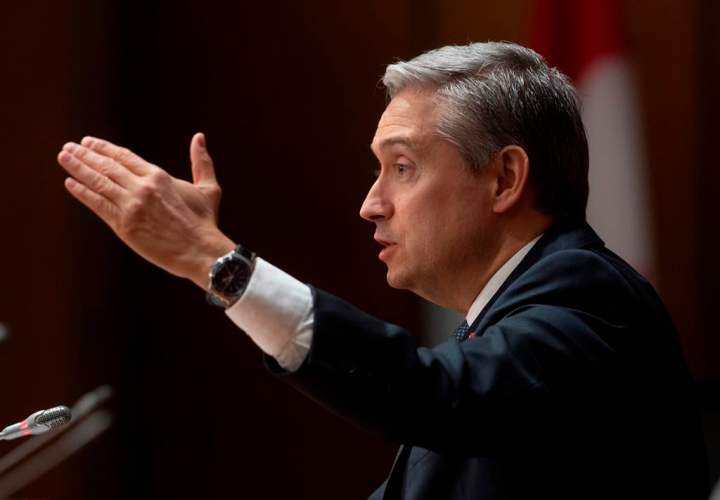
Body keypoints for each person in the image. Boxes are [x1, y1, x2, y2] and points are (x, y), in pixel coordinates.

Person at [56, 42, 708, 499]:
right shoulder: (498, 329)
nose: (371, 204)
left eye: (402, 167)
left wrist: (216, 263)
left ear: (505, 178)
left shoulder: (588, 301)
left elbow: (435, 395)